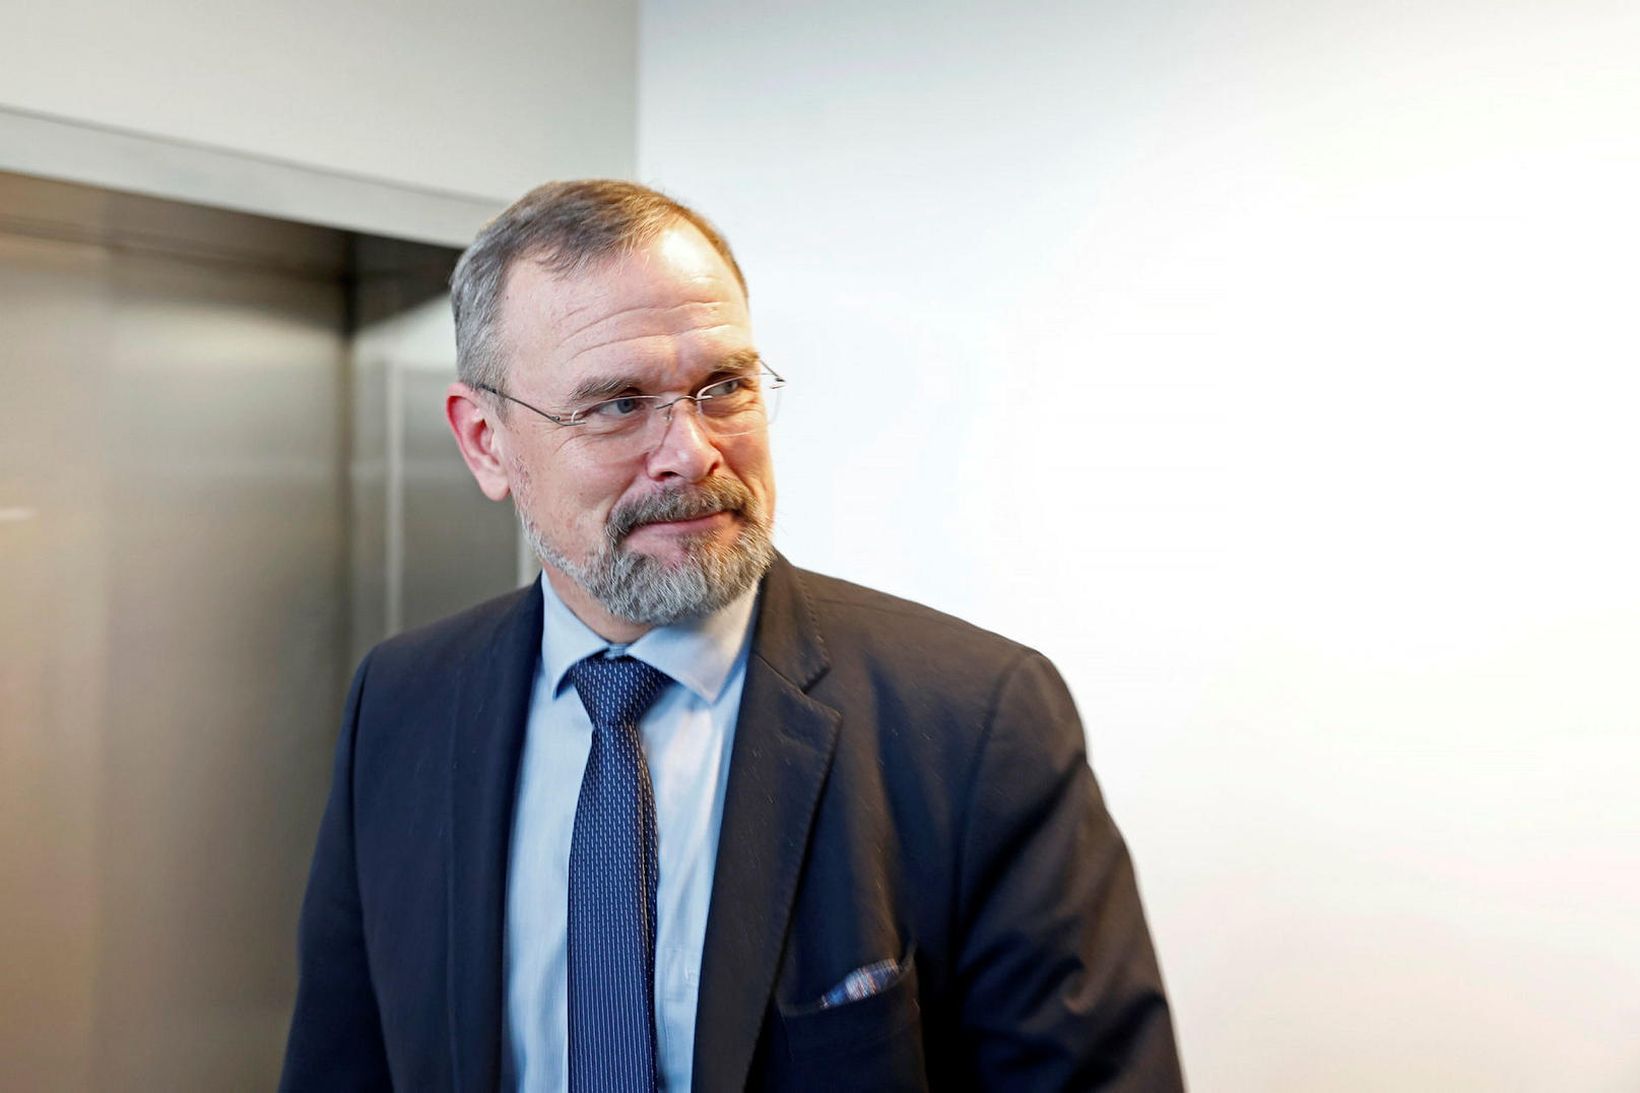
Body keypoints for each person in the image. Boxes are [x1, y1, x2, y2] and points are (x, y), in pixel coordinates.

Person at [280, 180, 1184, 1092]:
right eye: (617, 404)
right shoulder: (402, 703)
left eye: (724, 387)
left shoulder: (974, 720)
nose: (692, 451)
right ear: (486, 441)